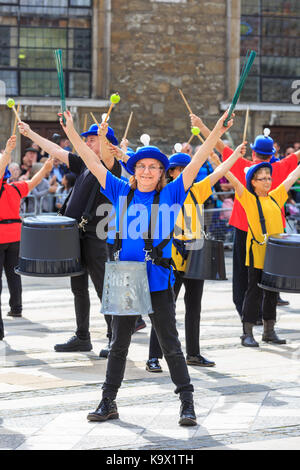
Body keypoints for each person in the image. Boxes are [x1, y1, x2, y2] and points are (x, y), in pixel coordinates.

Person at [59, 109, 239, 426]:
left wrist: (215, 131)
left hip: (157, 277)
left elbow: (198, 161)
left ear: (162, 173)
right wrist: (73, 131)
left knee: (170, 344)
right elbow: (91, 160)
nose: (146, 171)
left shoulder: (173, 192)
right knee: (118, 345)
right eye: (141, 166)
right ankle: (107, 401)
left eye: (153, 167)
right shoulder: (120, 190)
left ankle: (187, 402)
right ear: (134, 170)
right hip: (125, 278)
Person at [18, 120, 121, 354]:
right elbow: (56, 151)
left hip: (96, 235)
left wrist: (82, 132)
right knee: (78, 287)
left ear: (107, 144)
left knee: (103, 288)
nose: (86, 143)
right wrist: (31, 133)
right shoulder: (84, 164)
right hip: (76, 234)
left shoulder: (109, 167)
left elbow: (106, 155)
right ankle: (82, 336)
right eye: (86, 140)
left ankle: (114, 338)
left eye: (92, 139)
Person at [190, 113, 300, 318]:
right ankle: (266, 317)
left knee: (242, 272)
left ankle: (245, 311)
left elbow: (218, 144)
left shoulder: (243, 165)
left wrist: (201, 125)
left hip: (244, 226)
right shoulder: (282, 166)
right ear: (272, 153)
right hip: (274, 230)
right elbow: (297, 157)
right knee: (270, 271)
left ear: (255, 152)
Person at [221, 160, 300, 347]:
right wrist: (217, 161)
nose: (267, 181)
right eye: (262, 179)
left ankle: (269, 331)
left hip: (275, 256)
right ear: (253, 182)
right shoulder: (249, 199)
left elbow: (291, 177)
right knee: (254, 293)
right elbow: (233, 179)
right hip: (257, 254)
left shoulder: (275, 197)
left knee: (272, 294)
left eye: (269, 178)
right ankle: (246, 333)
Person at [0, 135, 53, 337]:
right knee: (14, 274)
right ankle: (17, 307)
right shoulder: (15, 188)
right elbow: (33, 182)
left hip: (0, 236)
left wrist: (7, 151)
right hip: (15, 236)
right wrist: (46, 169)